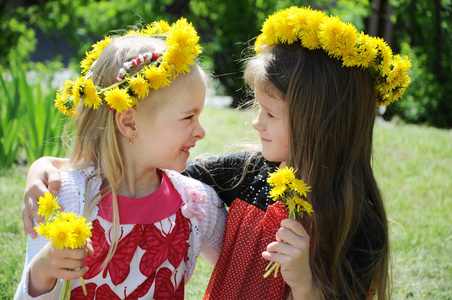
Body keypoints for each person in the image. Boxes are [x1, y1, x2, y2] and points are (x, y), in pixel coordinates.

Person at [21, 7, 411, 299]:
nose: (256, 123)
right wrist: (44, 168)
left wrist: (305, 284)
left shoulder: (359, 218)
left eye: (270, 113)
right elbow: (139, 170)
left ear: (320, 123)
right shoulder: (247, 175)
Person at [15, 18, 227, 300]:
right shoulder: (63, 198)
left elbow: (242, 269)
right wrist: (41, 272)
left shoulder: (197, 205)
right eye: (188, 117)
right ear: (130, 123)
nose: (200, 132)